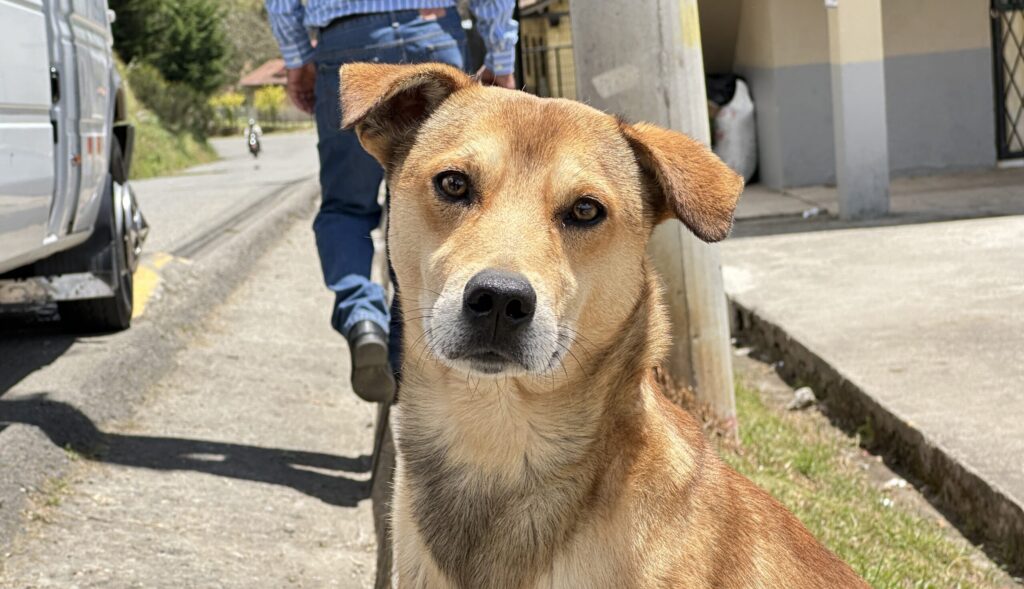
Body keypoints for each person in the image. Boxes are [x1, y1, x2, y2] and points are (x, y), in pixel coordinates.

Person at [265, 1, 518, 404]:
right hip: (435, 33)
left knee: (345, 206)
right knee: (437, 206)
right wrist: (501, 55)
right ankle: (409, 369)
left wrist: (297, 58)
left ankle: (361, 315)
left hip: (344, 41)